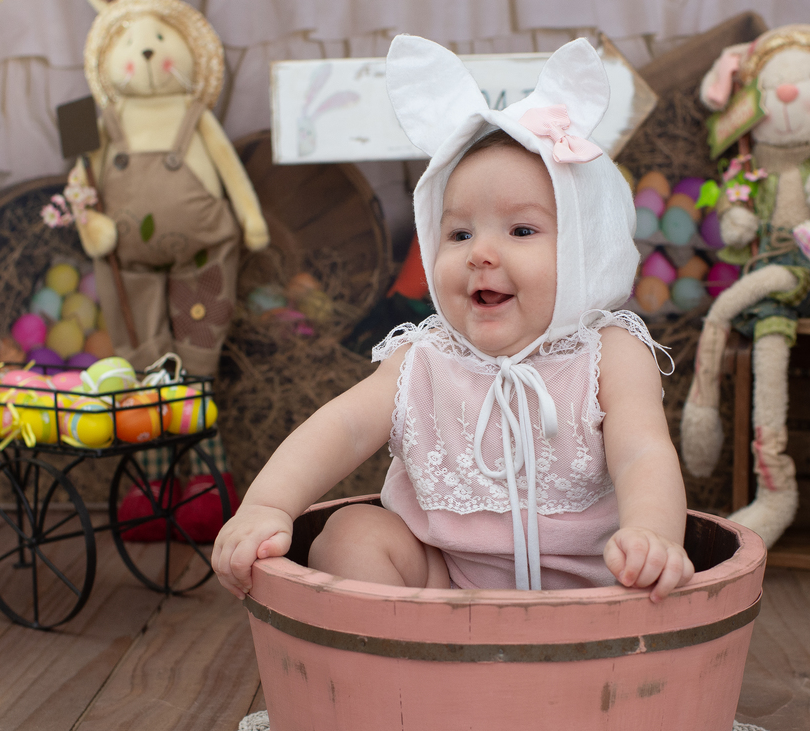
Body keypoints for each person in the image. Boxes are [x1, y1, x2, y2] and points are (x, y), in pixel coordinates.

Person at [212, 34, 692, 602]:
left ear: (588, 250)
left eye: (521, 230)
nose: (480, 253)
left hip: (591, 589)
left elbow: (642, 451)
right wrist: (266, 505)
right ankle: (402, 673)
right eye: (459, 232)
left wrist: (653, 534)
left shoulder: (606, 353)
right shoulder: (425, 356)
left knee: (645, 581)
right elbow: (341, 428)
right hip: (442, 586)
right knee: (350, 535)